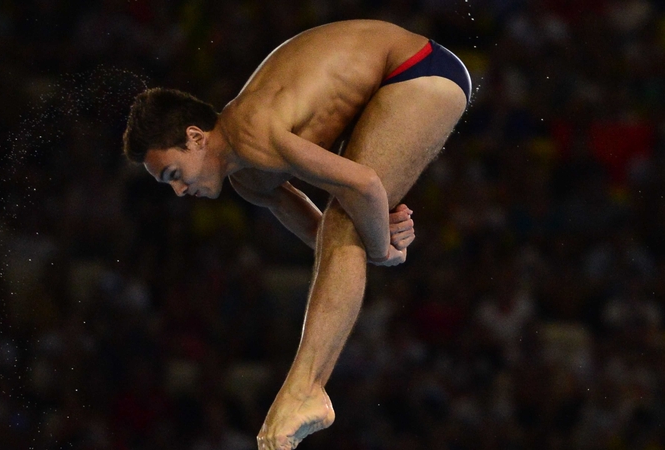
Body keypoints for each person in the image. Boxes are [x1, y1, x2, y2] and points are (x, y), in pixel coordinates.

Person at [123, 19, 471, 450]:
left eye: (174, 174)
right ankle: (305, 389)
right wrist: (373, 232)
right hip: (389, 83)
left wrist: (378, 242)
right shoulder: (246, 179)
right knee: (346, 225)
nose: (179, 191)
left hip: (420, 69)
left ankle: (305, 389)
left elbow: (362, 187)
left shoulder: (249, 131)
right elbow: (326, 237)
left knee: (349, 216)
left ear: (195, 137)